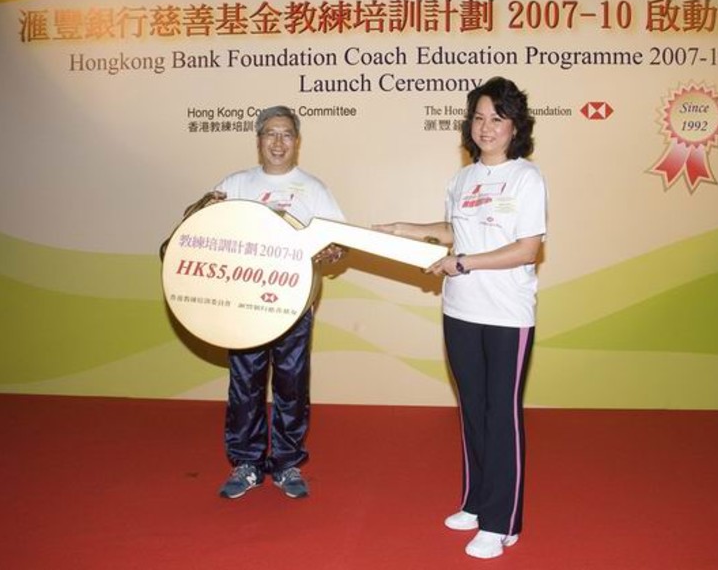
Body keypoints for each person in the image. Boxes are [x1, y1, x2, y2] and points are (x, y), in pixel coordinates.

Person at [374, 77, 547, 559]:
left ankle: (502, 519)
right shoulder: (463, 179)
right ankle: (475, 502)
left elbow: (527, 248)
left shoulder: (526, 178)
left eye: (497, 118)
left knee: (501, 415)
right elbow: (456, 230)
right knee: (472, 410)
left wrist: (464, 262)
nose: (486, 127)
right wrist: (407, 229)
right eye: (478, 117)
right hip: (460, 309)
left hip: (507, 314)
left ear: (515, 126)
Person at [212, 105, 345, 500]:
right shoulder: (235, 184)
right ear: (258, 140)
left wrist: (330, 252)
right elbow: (208, 235)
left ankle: (286, 464)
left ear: (297, 142)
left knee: (291, 386)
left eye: (286, 134)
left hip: (293, 305)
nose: (278, 142)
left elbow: (336, 244)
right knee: (245, 386)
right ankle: (247, 462)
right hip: (244, 306)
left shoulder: (314, 189)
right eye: (270, 133)